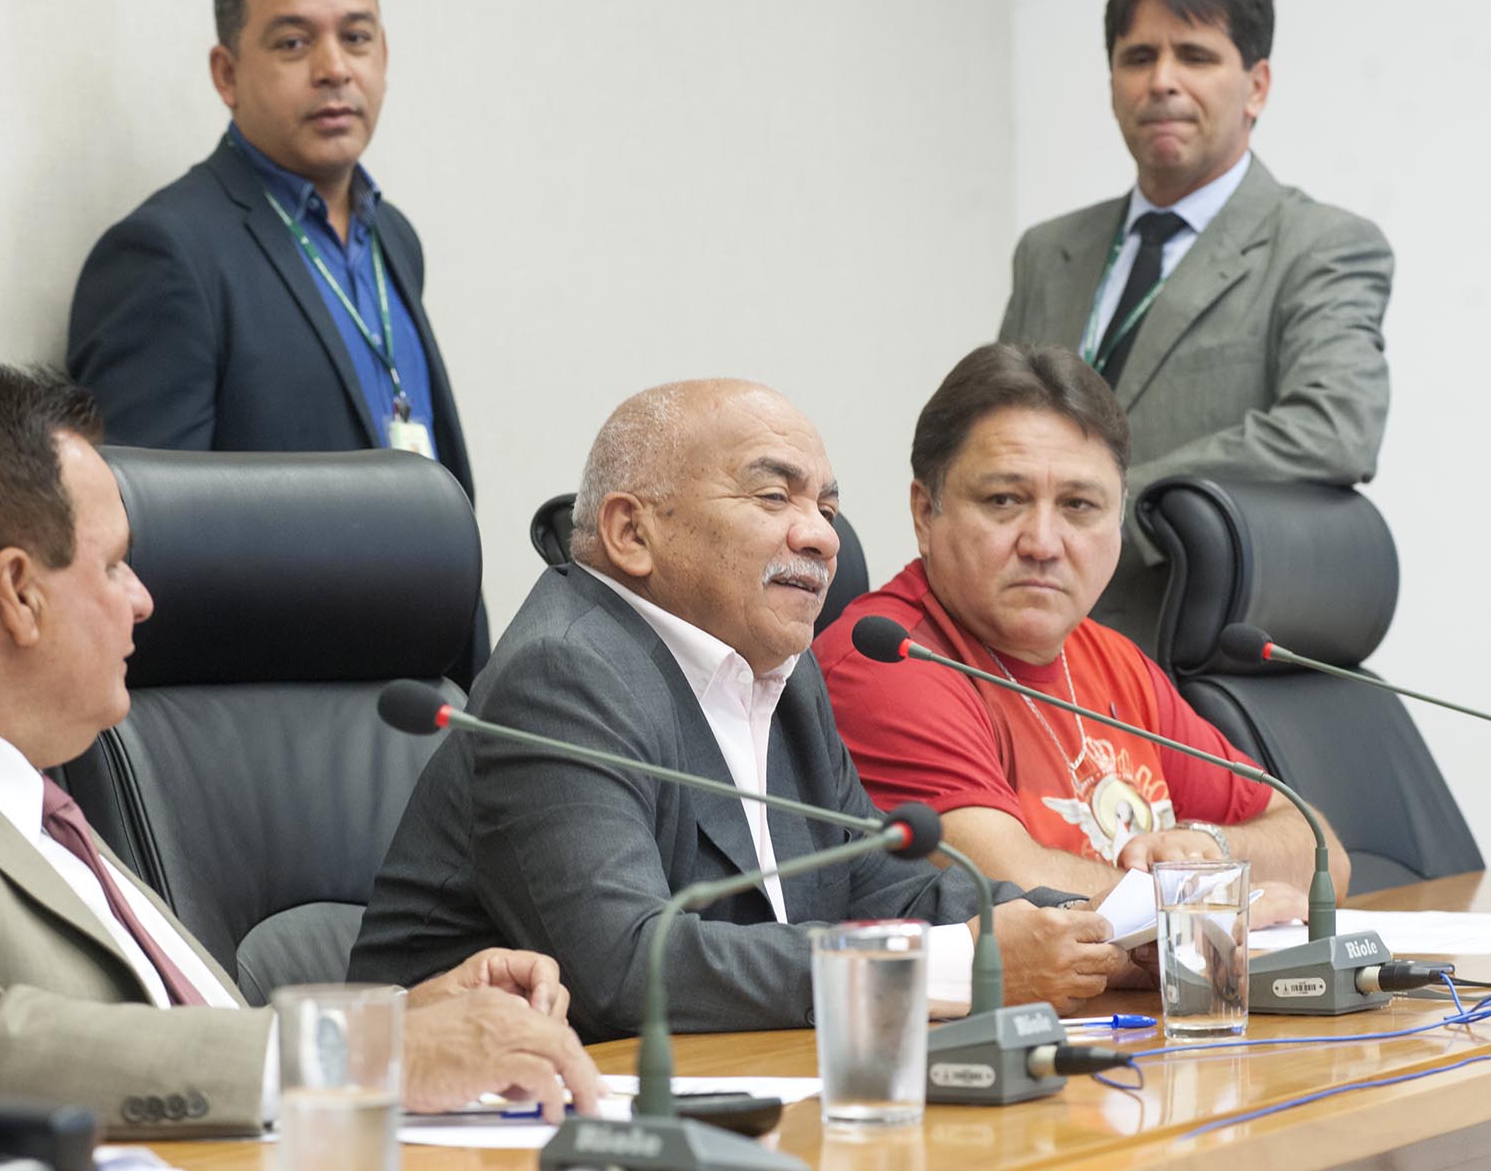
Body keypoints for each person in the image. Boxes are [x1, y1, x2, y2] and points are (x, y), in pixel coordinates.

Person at [0, 365, 596, 1138]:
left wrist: (402, 1022)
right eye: (115, 565)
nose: (143, 600)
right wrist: (367, 1052)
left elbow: (178, 1032)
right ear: (18, 593)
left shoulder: (26, 778)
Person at [349, 379, 1133, 1041]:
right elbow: (624, 967)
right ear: (631, 531)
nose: (822, 537)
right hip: (469, 1113)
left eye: (828, 508)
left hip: (741, 1085)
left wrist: (1108, 929)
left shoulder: (779, 671)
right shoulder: (565, 671)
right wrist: (958, 964)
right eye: (773, 495)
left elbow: (884, 887)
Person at [813, 343, 1352, 910]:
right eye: (1004, 500)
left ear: (1118, 520)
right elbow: (1011, 889)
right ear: (926, 512)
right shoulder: (888, 659)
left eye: (1078, 506)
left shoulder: (1113, 659)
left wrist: (1210, 846)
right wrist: (1219, 897)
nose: (1043, 544)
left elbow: (1322, 856)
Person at [65, 0, 485, 686]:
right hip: (282, 713)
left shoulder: (392, 238)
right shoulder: (167, 253)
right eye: (294, 42)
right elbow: (148, 545)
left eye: (356, 38)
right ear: (227, 73)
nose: (334, 68)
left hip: (430, 697)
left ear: (383, 55)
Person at [998, 0, 1391, 646]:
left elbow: (1333, 427)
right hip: (1015, 641)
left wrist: (1106, 505)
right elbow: (993, 432)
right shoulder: (1047, 252)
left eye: (1195, 56)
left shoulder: (1320, 246)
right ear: (1113, 83)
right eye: (1138, 57)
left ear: (1256, 87)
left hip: (1179, 650)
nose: (1162, 81)